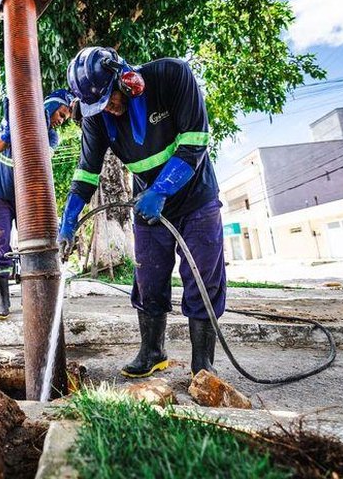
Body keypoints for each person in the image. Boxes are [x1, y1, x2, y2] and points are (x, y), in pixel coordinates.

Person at [58, 47, 226, 377]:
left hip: (196, 198)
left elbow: (195, 140)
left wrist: (161, 189)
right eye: (99, 105)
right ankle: (152, 352)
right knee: (148, 279)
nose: (109, 108)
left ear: (126, 79)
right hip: (147, 207)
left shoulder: (172, 76)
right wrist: (68, 219)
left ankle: (202, 365)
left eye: (110, 98)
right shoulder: (96, 116)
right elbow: (87, 172)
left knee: (203, 279)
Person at [0, 89, 73, 319]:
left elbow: (39, 159)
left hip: (26, 197)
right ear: (51, 106)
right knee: (0, 245)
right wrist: (10, 129)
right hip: (0, 195)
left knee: (31, 244)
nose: (61, 120)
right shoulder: (13, 121)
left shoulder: (52, 137)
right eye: (62, 114)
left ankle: (32, 298)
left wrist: (36, 130)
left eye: (64, 118)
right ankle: (3, 302)